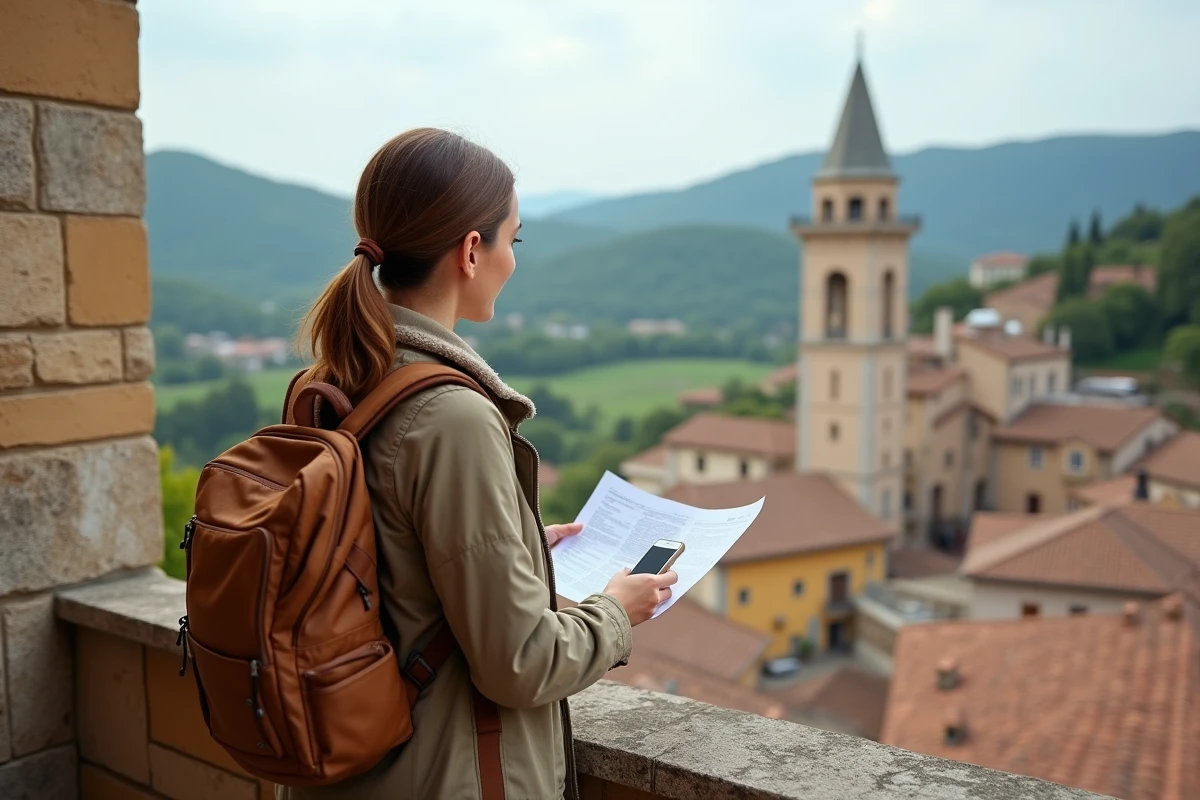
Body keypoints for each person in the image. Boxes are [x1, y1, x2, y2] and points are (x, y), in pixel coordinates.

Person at [280, 128, 677, 800]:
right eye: (512, 240)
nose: (513, 261)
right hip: (438, 777)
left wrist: (516, 546)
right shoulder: (451, 417)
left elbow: (383, 562)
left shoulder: (336, 379)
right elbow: (520, 664)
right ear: (471, 250)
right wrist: (616, 610)